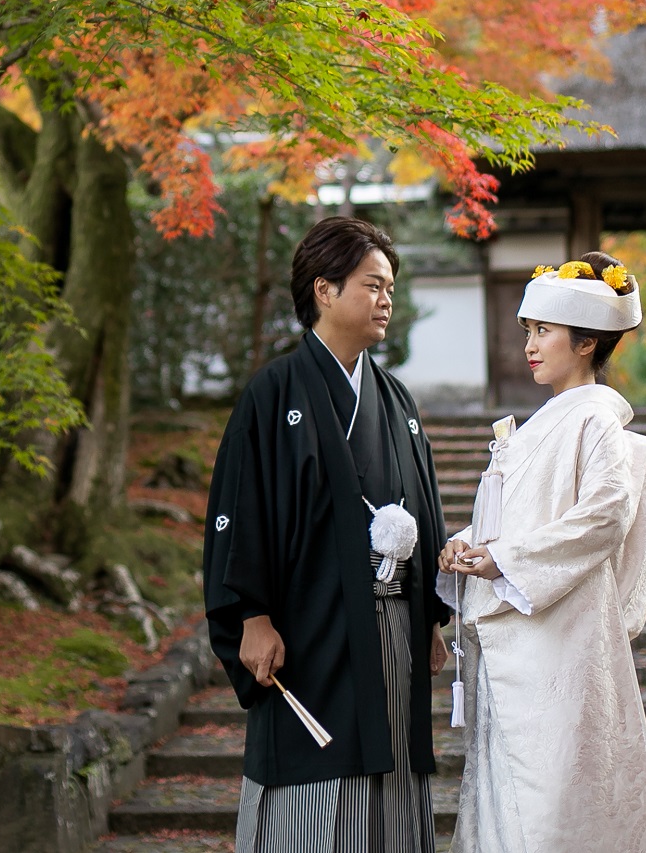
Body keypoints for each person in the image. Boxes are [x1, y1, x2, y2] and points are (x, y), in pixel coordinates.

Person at [202, 215, 451, 853]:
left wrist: (428, 619)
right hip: (308, 630)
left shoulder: (396, 400)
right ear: (324, 290)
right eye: (373, 284)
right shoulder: (272, 393)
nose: (387, 299)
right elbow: (240, 510)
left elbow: (422, 506)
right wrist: (250, 615)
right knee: (316, 789)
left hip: (390, 633)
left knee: (391, 779)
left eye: (391, 286)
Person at [438, 252, 646, 853]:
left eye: (544, 332)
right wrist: (470, 544)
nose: (531, 346)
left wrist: (507, 559)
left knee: (552, 802)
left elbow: (604, 515)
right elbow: (511, 524)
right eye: (529, 332)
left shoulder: (597, 422)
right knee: (511, 790)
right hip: (520, 631)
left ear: (588, 342)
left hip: (563, 639)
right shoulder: (541, 424)